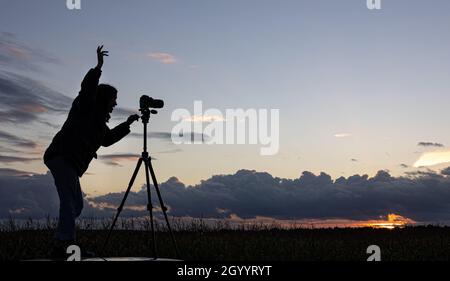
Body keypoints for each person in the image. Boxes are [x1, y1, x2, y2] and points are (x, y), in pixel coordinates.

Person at [43, 46, 139, 257]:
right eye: (114, 98)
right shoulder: (86, 106)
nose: (116, 103)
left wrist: (127, 124)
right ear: (104, 98)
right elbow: (87, 88)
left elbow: (107, 140)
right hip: (61, 157)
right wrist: (98, 67)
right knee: (68, 203)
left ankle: (61, 241)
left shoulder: (98, 124)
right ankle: (66, 247)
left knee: (76, 206)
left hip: (71, 164)